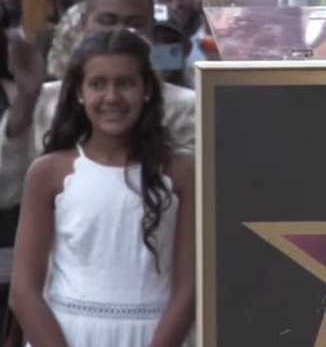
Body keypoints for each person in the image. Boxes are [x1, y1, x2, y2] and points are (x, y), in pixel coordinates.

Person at [10, 31, 194, 346]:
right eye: (97, 84)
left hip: (155, 335)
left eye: (125, 83)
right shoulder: (49, 172)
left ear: (147, 89)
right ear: (80, 93)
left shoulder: (182, 171)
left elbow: (189, 287)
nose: (111, 97)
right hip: (66, 334)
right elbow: (24, 291)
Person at [0, 0, 195, 209]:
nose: (120, 34)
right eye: (107, 21)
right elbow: (7, 192)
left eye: (135, 24)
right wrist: (27, 98)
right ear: (83, 24)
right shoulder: (46, 100)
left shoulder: (189, 108)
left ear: (151, 30)